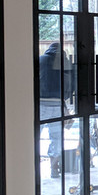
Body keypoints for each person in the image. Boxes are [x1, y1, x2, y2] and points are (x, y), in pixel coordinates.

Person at [39, 41, 75, 178]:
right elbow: (71, 84)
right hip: (57, 105)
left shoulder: (41, 60)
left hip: (40, 103)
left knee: (35, 135)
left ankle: (31, 167)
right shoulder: (66, 62)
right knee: (56, 138)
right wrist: (64, 99)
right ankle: (54, 167)